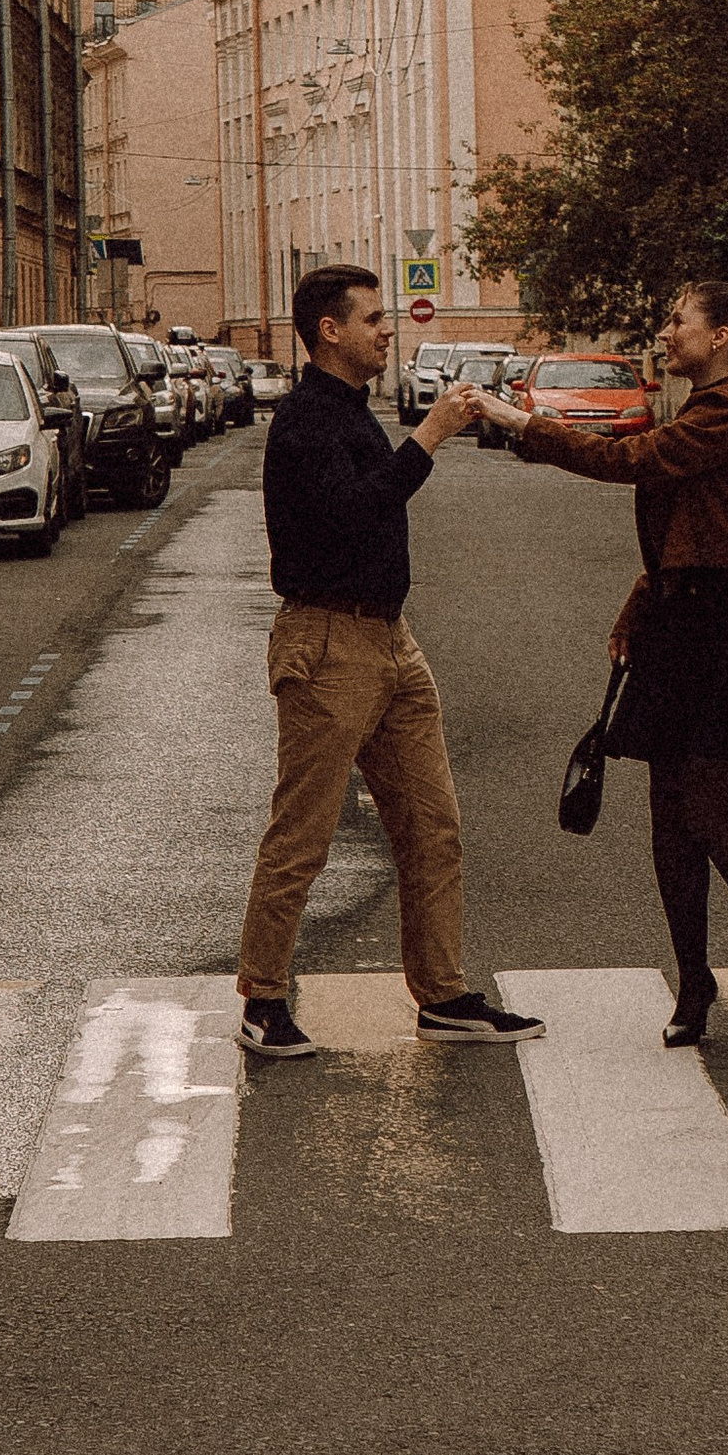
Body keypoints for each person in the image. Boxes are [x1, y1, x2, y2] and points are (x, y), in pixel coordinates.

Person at [475, 278, 728, 1054]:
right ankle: (695, 983)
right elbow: (697, 525)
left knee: (710, 813)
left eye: (680, 320)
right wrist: (642, 601)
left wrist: (522, 422)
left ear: (719, 339)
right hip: (686, 617)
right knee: (668, 817)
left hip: (727, 627)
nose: (667, 331)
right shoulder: (706, 408)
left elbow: (631, 460)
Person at [234, 264, 545, 1058]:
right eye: (372, 319)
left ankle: (441, 994)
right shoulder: (305, 421)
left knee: (432, 824)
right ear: (329, 331)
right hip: (329, 642)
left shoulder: (350, 411)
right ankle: (263, 997)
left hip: (390, 642)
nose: (387, 330)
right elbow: (353, 514)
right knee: (302, 833)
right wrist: (431, 436)